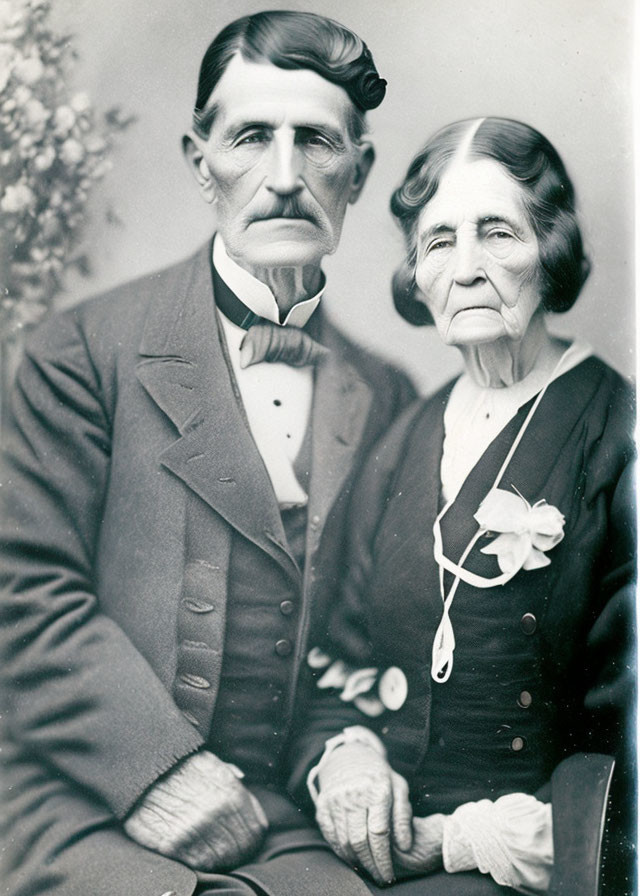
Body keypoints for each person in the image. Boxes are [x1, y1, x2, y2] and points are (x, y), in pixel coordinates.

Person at [0, 12, 416, 896]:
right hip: (77, 787)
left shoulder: (388, 399)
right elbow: (20, 591)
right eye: (252, 138)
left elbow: (374, 639)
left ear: (361, 171)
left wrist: (351, 750)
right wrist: (153, 767)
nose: (284, 178)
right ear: (201, 164)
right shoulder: (83, 351)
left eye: (317, 142)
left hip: (278, 808)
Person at [293, 118, 636, 895]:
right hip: (373, 856)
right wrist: (348, 762)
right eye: (439, 242)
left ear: (552, 254)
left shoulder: (620, 439)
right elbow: (331, 664)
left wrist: (463, 840)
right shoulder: (401, 439)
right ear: (416, 275)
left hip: (534, 872)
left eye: (498, 234)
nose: (468, 269)